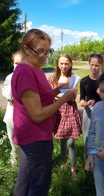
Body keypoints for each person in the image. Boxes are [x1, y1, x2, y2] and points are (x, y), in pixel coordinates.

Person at [11, 29, 76, 196]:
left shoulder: (35, 69)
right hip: (35, 137)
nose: (45, 56)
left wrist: (57, 90)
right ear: (26, 49)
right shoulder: (25, 72)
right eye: (40, 51)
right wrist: (64, 98)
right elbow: (37, 114)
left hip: (34, 136)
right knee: (39, 186)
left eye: (48, 51)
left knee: (24, 183)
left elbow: (41, 98)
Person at [48, 53, 82, 179]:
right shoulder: (52, 79)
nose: (64, 66)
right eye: (61, 63)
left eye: (67, 63)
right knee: (62, 140)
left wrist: (60, 95)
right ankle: (63, 163)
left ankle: (73, 168)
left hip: (70, 110)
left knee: (71, 142)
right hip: (58, 111)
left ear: (71, 64)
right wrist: (62, 95)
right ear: (58, 64)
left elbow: (73, 96)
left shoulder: (73, 78)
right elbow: (51, 95)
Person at [79, 53, 104, 151]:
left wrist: (100, 95)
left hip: (103, 111)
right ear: (89, 64)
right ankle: (88, 161)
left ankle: (99, 161)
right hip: (88, 111)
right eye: (92, 65)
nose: (94, 67)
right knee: (87, 136)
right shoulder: (84, 81)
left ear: (101, 65)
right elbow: (82, 97)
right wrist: (83, 103)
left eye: (97, 65)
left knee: (100, 137)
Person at [2, 50, 22, 165]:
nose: (18, 66)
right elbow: (6, 92)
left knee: (21, 139)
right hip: (11, 111)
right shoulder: (10, 77)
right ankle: (14, 158)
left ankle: (21, 161)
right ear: (12, 63)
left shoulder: (28, 77)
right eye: (16, 63)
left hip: (23, 113)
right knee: (11, 137)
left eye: (21, 63)